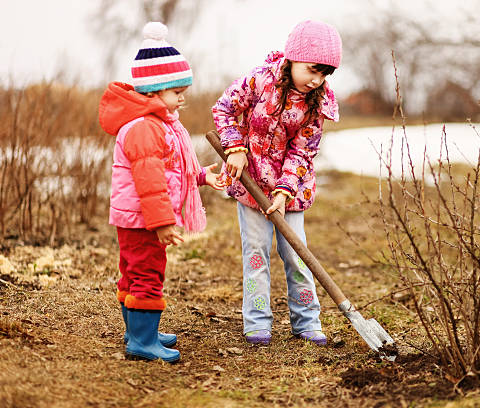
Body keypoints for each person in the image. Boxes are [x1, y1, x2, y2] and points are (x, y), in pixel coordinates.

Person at [99, 22, 224, 362]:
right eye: (177, 91)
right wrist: (162, 223)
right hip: (143, 219)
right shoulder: (144, 127)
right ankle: (141, 341)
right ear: (154, 92)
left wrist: (198, 176)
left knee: (134, 273)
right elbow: (149, 182)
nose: (183, 97)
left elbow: (167, 171)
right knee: (146, 276)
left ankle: (139, 331)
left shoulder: (156, 123)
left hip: (138, 216)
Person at [212, 20, 342, 346]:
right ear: (294, 57)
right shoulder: (259, 81)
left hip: (291, 192)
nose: (318, 79)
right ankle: (257, 322)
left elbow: (303, 152)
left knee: (296, 255)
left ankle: (307, 322)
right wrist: (236, 148)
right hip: (250, 183)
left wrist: (284, 191)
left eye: (326, 73)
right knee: (256, 254)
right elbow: (224, 108)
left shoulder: (317, 104)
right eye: (314, 69)